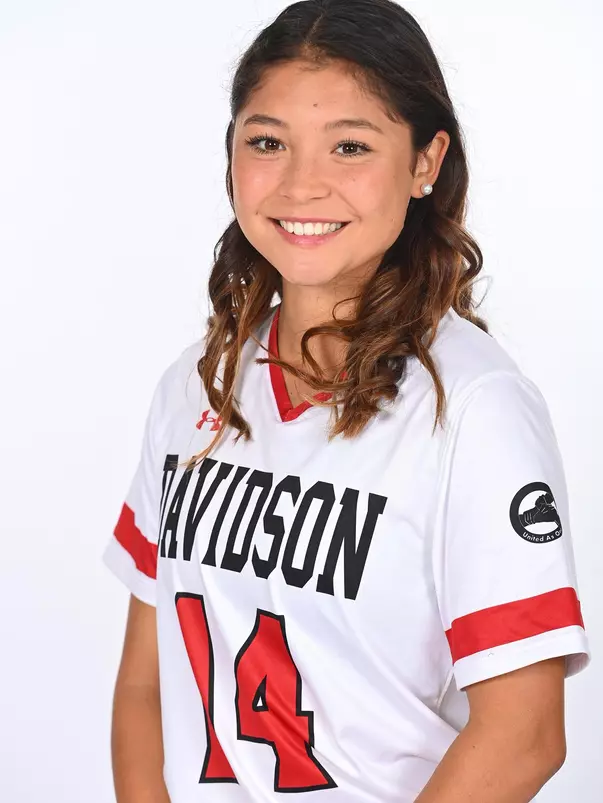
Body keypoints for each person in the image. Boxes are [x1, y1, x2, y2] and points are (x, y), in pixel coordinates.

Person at [103, 1, 591, 801]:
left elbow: (525, 732)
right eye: (267, 142)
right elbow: (143, 686)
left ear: (425, 162)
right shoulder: (196, 382)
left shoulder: (474, 405)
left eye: (350, 146)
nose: (301, 183)